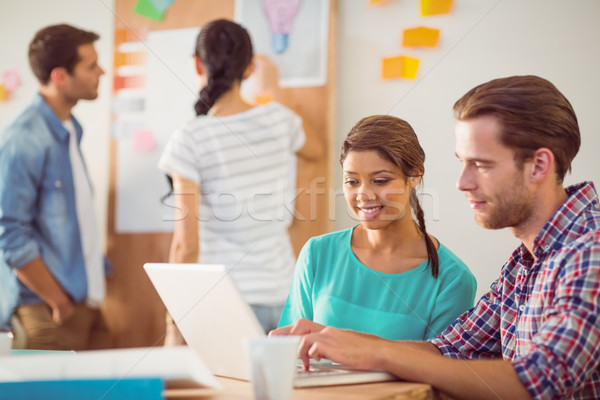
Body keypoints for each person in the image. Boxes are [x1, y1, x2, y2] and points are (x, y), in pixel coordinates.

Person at [272, 75, 600, 399]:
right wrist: (345, 342)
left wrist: (377, 354)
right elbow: (449, 348)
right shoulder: (523, 263)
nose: (462, 182)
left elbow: (541, 380)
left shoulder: (590, 252)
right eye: (462, 163)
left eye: (480, 164)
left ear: (539, 165)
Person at [158, 19, 322, 343]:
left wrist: (173, 324)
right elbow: (316, 149)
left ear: (197, 64)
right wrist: (273, 89)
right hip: (283, 297)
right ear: (248, 69)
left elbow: (185, 245)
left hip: (225, 301)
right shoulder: (280, 120)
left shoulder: (190, 137)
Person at [276, 115, 476, 340]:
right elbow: (291, 348)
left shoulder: (452, 279)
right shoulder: (318, 253)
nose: (363, 195)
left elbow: (441, 366)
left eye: (380, 181)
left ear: (414, 176)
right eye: (352, 182)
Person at [0, 24, 111, 350]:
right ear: (61, 76)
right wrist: (58, 301)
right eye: (91, 66)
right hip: (49, 312)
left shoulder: (70, 129)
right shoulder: (25, 138)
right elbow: (9, 231)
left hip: (85, 302)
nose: (101, 71)